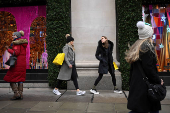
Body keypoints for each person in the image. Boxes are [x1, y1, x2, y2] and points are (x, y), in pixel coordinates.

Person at [125, 21, 164, 113]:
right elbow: (149, 68)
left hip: (138, 83)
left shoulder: (137, 46)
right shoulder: (147, 47)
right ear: (148, 35)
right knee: (150, 109)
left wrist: (131, 82)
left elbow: (132, 68)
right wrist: (158, 80)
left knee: (141, 109)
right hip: (145, 85)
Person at [4, 30, 28, 100]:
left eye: (13, 35)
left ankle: (16, 93)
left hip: (17, 64)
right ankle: (20, 94)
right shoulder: (23, 44)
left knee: (11, 78)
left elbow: (16, 53)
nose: (12, 36)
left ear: (17, 36)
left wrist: (8, 49)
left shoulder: (17, 43)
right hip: (22, 63)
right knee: (20, 78)